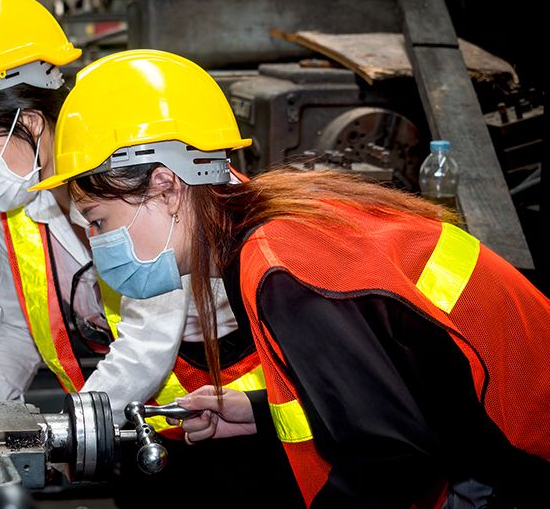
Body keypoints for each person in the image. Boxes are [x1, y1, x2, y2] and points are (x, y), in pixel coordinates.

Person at [31, 48, 550, 508]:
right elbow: (386, 388)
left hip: (521, 459)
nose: (100, 246)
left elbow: (391, 456)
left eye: (99, 221)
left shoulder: (280, 265)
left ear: (165, 186)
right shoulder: (270, 230)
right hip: (488, 441)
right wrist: (255, 411)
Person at [0, 0, 284, 471]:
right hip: (141, 420)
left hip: (234, 418)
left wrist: (73, 433)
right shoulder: (19, 200)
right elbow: (17, 329)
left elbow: (147, 342)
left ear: (29, 123)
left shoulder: (125, 177)